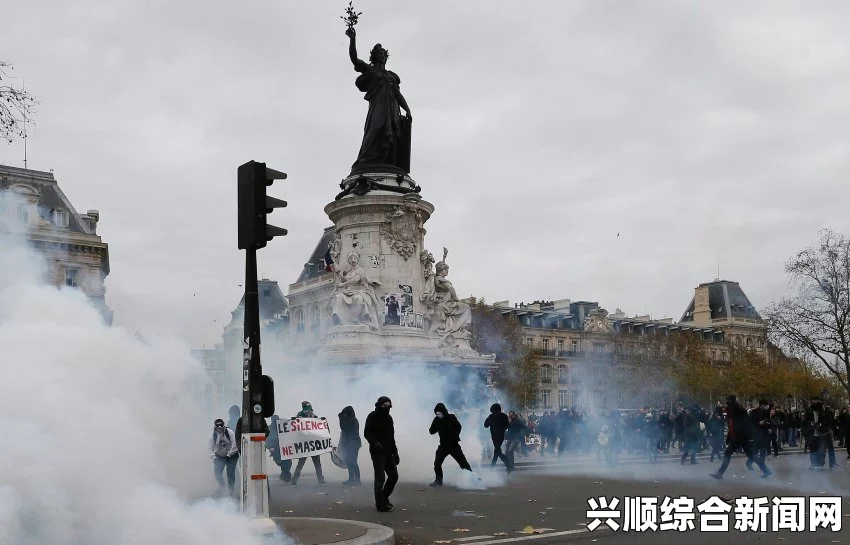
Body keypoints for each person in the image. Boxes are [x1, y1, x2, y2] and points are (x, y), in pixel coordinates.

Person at [345, 26, 412, 173]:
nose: (382, 56)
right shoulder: (370, 70)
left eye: (383, 54)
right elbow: (354, 59)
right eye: (379, 54)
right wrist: (353, 40)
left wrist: (407, 109)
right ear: (373, 56)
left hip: (393, 108)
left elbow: (398, 95)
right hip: (378, 107)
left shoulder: (392, 76)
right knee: (375, 129)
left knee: (392, 134)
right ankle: (365, 160)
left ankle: (386, 161)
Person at [710, 395, 771, 480]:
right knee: (752, 455)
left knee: (728, 453)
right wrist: (729, 437)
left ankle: (720, 473)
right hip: (741, 437)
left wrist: (742, 437)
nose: (726, 405)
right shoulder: (734, 410)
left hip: (740, 437)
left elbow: (744, 425)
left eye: (728, 402)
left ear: (731, 402)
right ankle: (766, 470)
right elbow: (732, 425)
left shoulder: (737, 410)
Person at [364, 396, 399, 512]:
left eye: (389, 406)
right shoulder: (372, 416)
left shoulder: (389, 418)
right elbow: (366, 433)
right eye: (384, 406)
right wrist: (375, 443)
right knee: (380, 478)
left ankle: (384, 497)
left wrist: (395, 453)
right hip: (377, 452)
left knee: (394, 476)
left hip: (388, 451)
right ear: (378, 405)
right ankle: (380, 504)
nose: (387, 408)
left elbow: (391, 437)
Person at [428, 403, 473, 487]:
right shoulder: (436, 420)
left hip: (453, 445)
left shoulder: (451, 417)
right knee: (437, 463)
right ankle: (438, 481)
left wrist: (455, 435)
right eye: (437, 414)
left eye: (440, 413)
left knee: (463, 463)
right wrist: (436, 427)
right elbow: (431, 431)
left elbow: (459, 427)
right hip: (443, 445)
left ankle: (472, 478)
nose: (439, 415)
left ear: (444, 412)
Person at [290, 401, 326, 486]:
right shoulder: (300, 415)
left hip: (313, 444)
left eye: (310, 409)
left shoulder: (314, 416)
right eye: (307, 409)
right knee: (301, 463)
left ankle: (321, 480)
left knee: (317, 463)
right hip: (304, 443)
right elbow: (296, 427)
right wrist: (293, 421)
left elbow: (319, 428)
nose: (309, 411)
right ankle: (294, 480)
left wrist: (322, 421)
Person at [210, 418, 239, 496]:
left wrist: (229, 454)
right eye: (218, 427)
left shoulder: (230, 432)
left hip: (231, 455)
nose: (220, 429)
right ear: (215, 427)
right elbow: (210, 448)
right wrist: (213, 456)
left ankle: (231, 490)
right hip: (220, 455)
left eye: (221, 427)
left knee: (230, 473)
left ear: (224, 426)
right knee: (217, 472)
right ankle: (221, 486)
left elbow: (235, 444)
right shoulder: (212, 435)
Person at [338, 406, 362, 486]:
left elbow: (343, 427)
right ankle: (351, 479)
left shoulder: (353, 421)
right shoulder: (350, 420)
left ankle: (357, 480)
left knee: (353, 462)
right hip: (348, 444)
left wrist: (341, 418)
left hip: (354, 444)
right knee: (349, 461)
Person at [484, 402, 511, 470]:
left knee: (497, 450)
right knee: (497, 450)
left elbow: (485, 425)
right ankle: (493, 466)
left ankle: (507, 463)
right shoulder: (504, 416)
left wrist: (487, 418)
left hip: (494, 436)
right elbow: (507, 425)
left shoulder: (491, 416)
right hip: (501, 435)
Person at [267, 415, 293, 482]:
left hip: (285, 448)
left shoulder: (283, 426)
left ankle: (285, 477)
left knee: (288, 463)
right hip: (276, 450)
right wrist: (270, 447)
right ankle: (285, 476)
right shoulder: (269, 429)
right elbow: (267, 439)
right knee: (282, 463)